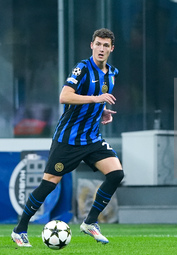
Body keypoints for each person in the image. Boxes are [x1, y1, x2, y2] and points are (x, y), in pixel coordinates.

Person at [11, 28, 124, 246]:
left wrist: (101, 111)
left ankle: (90, 222)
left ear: (112, 48)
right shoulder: (82, 68)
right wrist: (96, 99)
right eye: (98, 44)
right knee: (49, 184)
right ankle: (20, 229)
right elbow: (65, 96)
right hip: (68, 139)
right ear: (91, 45)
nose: (101, 49)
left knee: (116, 174)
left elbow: (95, 101)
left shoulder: (112, 73)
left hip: (91, 138)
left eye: (106, 45)